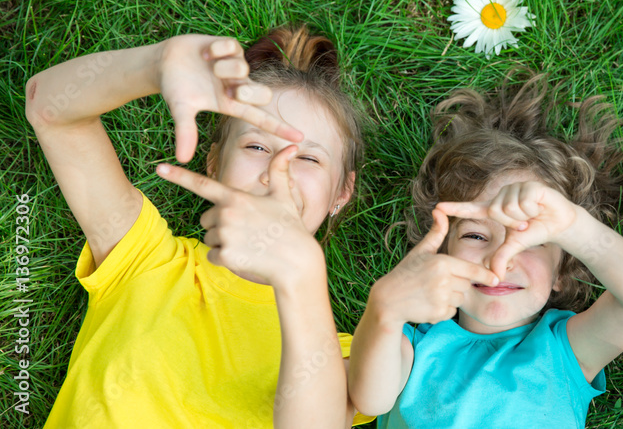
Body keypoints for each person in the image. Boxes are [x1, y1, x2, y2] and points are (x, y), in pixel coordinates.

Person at [25, 27, 372, 428]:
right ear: (213, 164)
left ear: (341, 194)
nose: (278, 172)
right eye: (256, 147)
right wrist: (152, 65)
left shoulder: (343, 355)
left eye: (309, 158)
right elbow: (50, 111)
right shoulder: (145, 258)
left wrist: (302, 274)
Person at [347, 73, 623, 428]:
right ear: (442, 255)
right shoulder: (415, 345)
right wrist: (384, 310)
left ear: (561, 271)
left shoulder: (565, 351)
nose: (500, 258)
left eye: (529, 239)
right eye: (475, 236)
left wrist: (573, 226)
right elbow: (369, 399)